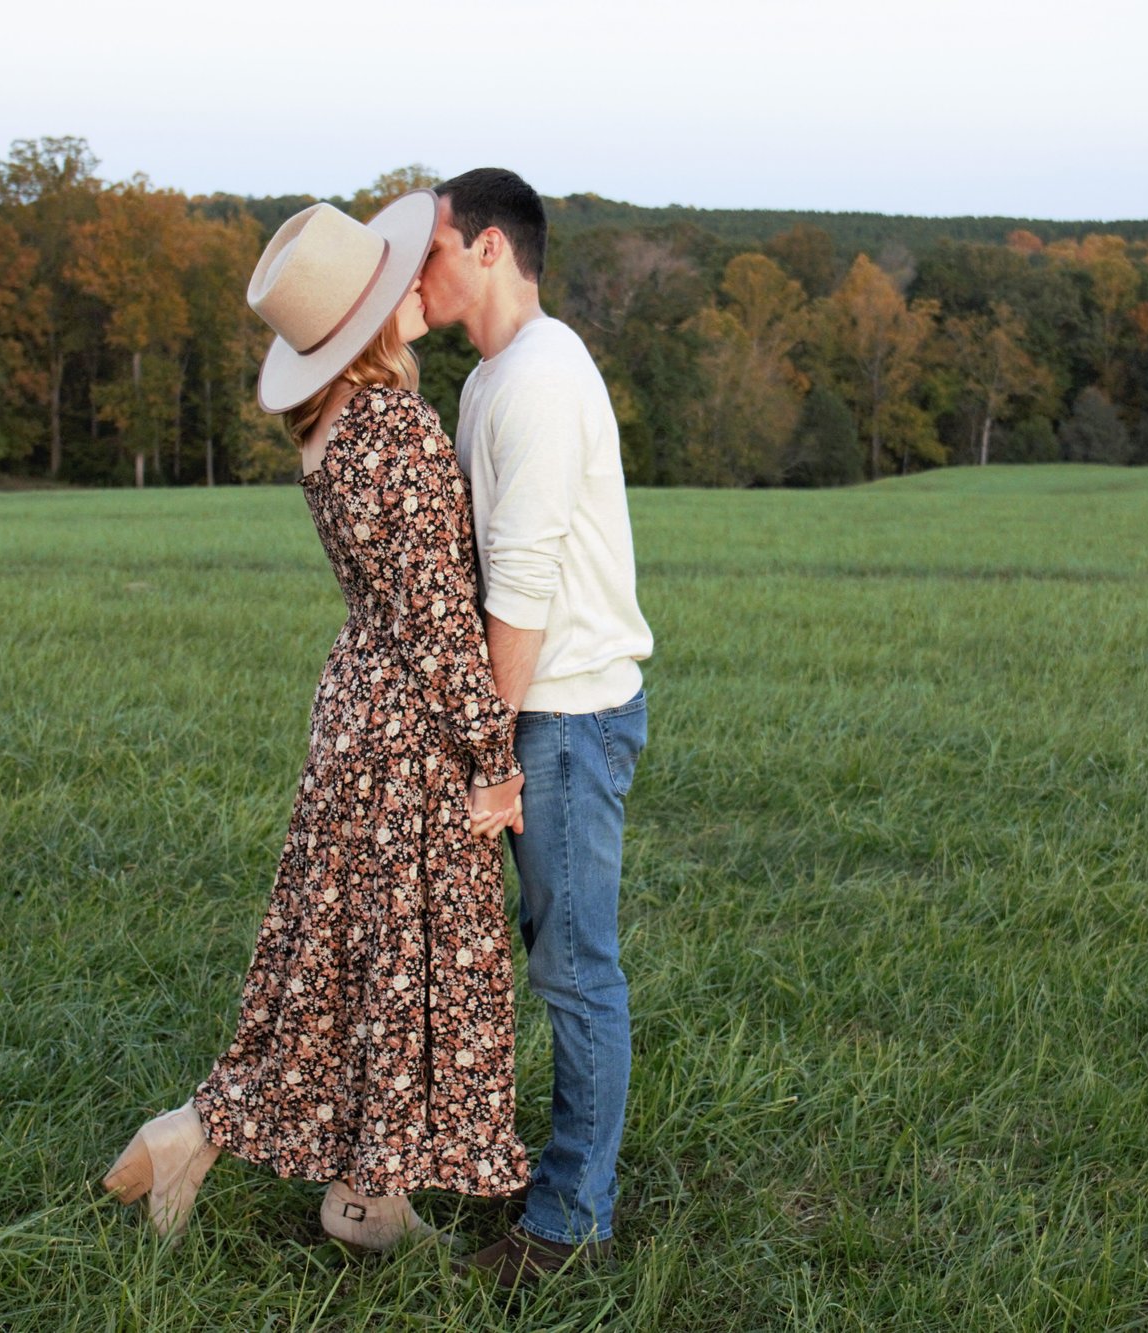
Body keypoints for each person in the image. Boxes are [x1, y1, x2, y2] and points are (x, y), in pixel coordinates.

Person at [101, 191, 533, 1255]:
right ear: (378, 311)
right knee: (406, 957)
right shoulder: (395, 426)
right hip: (406, 729)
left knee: (350, 955)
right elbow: (438, 619)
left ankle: (360, 1200)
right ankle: (207, 1136)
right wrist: (492, 758)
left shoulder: (333, 421)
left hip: (355, 710)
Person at [417, 167, 654, 1291]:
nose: (417, 270)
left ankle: (568, 1222)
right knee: (545, 956)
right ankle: (541, 1171)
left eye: (432, 248)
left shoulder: (539, 381)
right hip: (536, 711)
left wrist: (491, 755)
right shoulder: (491, 378)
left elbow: (519, 585)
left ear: (489, 250)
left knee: (574, 969)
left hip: (562, 716)